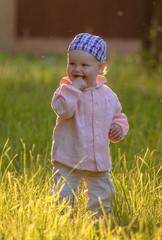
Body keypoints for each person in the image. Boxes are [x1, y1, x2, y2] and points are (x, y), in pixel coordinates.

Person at [50, 33, 129, 218]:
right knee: (63, 194)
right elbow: (63, 110)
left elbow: (118, 115)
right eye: (72, 63)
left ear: (101, 68)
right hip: (68, 158)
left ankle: (97, 222)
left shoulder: (108, 95)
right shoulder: (65, 90)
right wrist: (74, 88)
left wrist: (118, 127)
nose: (77, 69)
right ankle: (61, 224)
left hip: (97, 160)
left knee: (104, 193)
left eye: (84, 65)